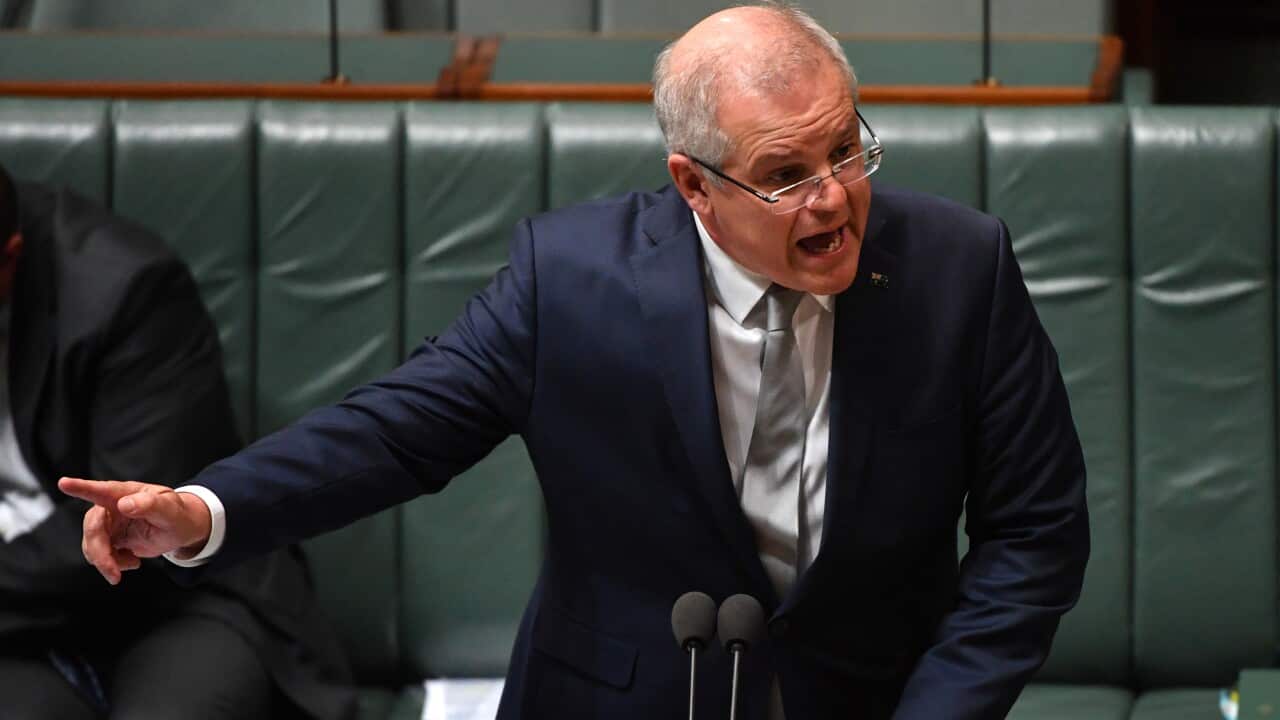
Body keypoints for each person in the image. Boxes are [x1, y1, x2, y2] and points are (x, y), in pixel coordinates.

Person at [63, 3, 1089, 719]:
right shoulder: (570, 279)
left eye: (844, 151)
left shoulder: (960, 268)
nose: (831, 199)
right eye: (784, 175)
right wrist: (202, 512)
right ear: (693, 185)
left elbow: (1034, 536)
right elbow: (398, 430)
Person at [0, 166, 355, 719]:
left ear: (9, 259)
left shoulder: (121, 290)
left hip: (175, 594)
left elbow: (121, 525)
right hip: (21, 628)